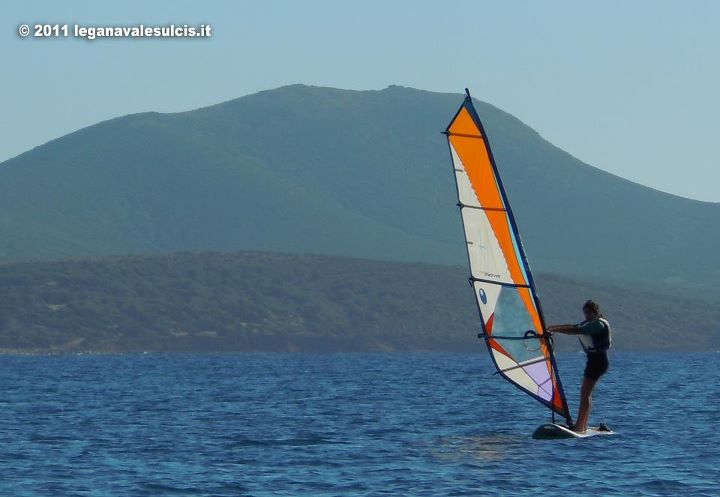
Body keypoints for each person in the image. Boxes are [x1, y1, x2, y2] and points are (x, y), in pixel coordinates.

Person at [548, 300, 611, 433]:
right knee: (585, 394)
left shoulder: (598, 324)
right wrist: (551, 328)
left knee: (585, 394)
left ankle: (579, 426)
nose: (586, 316)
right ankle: (582, 425)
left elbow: (577, 330)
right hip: (593, 361)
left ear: (595, 312)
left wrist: (555, 330)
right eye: (585, 313)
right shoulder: (590, 323)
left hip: (598, 361)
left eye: (588, 313)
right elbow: (572, 325)